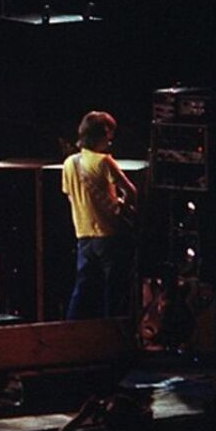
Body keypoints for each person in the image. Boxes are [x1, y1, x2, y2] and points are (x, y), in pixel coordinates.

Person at [62, 111, 138, 320]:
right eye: (109, 134)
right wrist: (123, 207)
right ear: (103, 133)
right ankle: (111, 336)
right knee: (113, 292)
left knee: (82, 289)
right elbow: (131, 192)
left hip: (83, 236)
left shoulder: (69, 163)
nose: (111, 140)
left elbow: (71, 196)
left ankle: (69, 331)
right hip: (108, 235)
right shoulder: (104, 161)